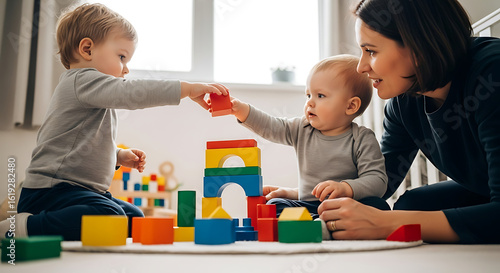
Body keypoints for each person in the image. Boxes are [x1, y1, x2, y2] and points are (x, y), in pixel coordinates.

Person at [0, 3, 228, 241]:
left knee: (134, 217)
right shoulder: (81, 80)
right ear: (87, 49)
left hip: (81, 192)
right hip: (50, 191)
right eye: (121, 57)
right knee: (109, 215)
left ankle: (48, 222)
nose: (126, 69)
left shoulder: (91, 91)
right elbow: (130, 93)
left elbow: (82, 143)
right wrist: (187, 89)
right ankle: (22, 226)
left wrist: (118, 155)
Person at [318, 0, 500, 244]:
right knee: (414, 204)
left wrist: (384, 223)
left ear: (418, 46)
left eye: (371, 51)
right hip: (485, 191)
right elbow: (379, 181)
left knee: (404, 215)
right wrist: (306, 198)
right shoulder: (404, 103)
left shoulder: (492, 73)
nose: (361, 67)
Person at [230, 55, 390, 232]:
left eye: (320, 95)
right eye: (308, 95)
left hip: (344, 207)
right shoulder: (302, 128)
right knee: (274, 205)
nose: (310, 103)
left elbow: (378, 181)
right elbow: (272, 126)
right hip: (306, 206)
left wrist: (346, 188)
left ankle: (320, 226)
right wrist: (243, 111)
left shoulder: (362, 138)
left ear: (351, 106)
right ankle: (317, 226)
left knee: (378, 205)